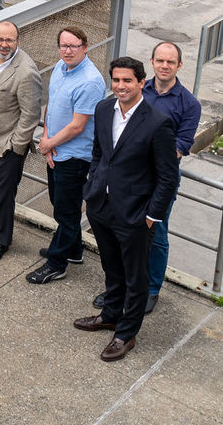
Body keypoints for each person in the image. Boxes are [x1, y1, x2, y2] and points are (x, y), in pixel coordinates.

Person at [74, 57, 179, 362]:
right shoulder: (103, 109)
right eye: (116, 80)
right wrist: (93, 185)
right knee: (111, 267)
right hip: (101, 206)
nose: (120, 86)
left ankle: (126, 333)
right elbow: (99, 152)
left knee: (136, 277)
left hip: (135, 215)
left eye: (127, 81)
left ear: (141, 83)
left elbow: (167, 177)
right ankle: (109, 315)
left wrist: (151, 217)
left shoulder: (158, 123)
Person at [93, 41, 201, 313]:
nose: (165, 66)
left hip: (156, 181)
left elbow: (180, 146)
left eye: (171, 62)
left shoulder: (189, 104)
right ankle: (119, 290)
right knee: (121, 235)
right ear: (151, 62)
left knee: (155, 235)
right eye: (160, 60)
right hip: (123, 179)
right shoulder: (138, 89)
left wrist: (139, 157)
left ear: (179, 65)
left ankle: (150, 289)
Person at [26, 25, 107, 285]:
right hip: (56, 148)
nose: (68, 50)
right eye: (64, 45)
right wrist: (47, 139)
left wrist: (49, 144)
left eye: (73, 46)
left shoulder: (90, 81)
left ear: (85, 47)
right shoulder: (61, 68)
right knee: (58, 202)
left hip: (74, 157)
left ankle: (56, 264)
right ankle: (73, 250)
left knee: (67, 212)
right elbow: (51, 106)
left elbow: (77, 126)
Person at [0, 21, 43, 262]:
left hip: (7, 147)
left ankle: (2, 240)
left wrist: (15, 147)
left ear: (18, 41)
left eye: (9, 40)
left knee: (3, 195)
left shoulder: (26, 72)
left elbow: (31, 115)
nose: (4, 44)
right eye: (0, 39)